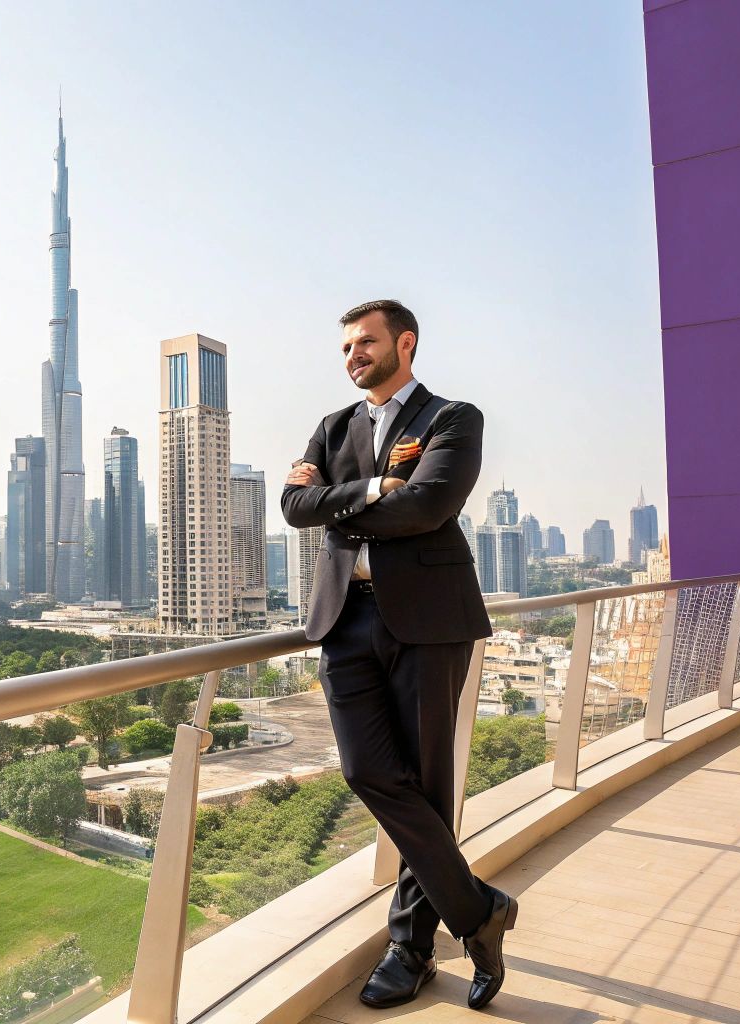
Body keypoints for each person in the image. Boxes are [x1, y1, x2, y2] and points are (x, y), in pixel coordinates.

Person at [281, 299, 517, 1010]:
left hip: (429, 623)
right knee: (368, 772)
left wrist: (339, 501)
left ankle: (410, 950)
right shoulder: (333, 427)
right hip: (345, 623)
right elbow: (292, 509)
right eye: (346, 345)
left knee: (426, 785)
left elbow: (427, 508)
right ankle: (478, 913)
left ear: (404, 344)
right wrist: (371, 489)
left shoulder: (451, 419)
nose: (353, 355)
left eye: (366, 342)